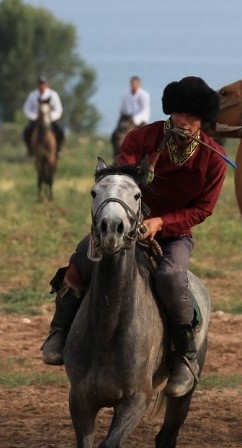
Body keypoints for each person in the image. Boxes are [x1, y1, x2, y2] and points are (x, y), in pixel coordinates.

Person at [40, 77, 227, 397]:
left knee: (170, 277)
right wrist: (143, 168)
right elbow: (119, 175)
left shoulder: (214, 159)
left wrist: (162, 223)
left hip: (174, 234)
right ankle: (59, 331)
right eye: (178, 114)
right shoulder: (143, 137)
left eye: (191, 117)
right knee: (81, 260)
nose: (183, 121)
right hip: (126, 223)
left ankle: (184, 355)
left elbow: (202, 209)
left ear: (202, 121)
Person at [21, 76, 65, 156]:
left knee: (60, 131)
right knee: (26, 132)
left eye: (44, 84)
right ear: (38, 85)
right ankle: (30, 150)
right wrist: (34, 117)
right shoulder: (32, 95)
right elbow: (26, 109)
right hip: (36, 120)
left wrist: (51, 117)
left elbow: (58, 109)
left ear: (47, 85)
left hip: (50, 120)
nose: (42, 86)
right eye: (40, 84)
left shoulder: (53, 94)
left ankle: (58, 149)